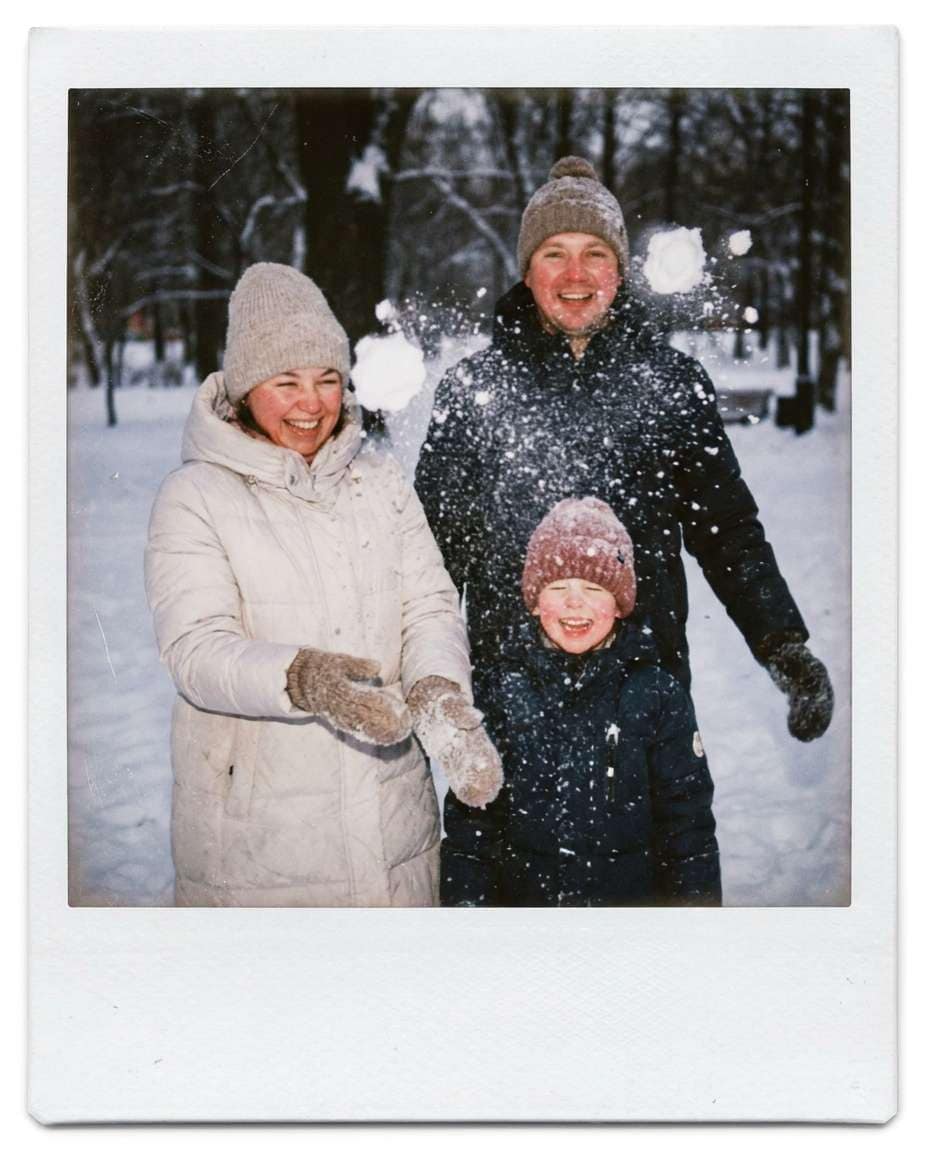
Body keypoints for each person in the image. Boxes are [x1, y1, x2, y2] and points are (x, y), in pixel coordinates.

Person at [415, 156, 833, 743]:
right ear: (528, 270)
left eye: (596, 254)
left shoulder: (671, 385)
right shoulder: (473, 391)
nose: (575, 274)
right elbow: (431, 557)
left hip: (644, 698)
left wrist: (780, 641)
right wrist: (408, 670)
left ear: (620, 270)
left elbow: (727, 528)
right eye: (553, 253)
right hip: (510, 700)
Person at [145, 263, 501, 907]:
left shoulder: (380, 482)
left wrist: (437, 690)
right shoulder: (195, 496)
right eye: (286, 382)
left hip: (393, 822)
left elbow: (427, 604)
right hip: (260, 842)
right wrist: (301, 677)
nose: (311, 404)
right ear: (248, 387)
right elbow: (195, 650)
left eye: (327, 380)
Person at [441, 497, 721, 907]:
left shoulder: (656, 694)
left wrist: (693, 915)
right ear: (535, 603)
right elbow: (472, 828)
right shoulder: (499, 693)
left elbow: (687, 827)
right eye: (558, 587)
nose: (576, 602)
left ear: (620, 604)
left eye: (594, 588)